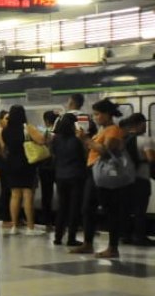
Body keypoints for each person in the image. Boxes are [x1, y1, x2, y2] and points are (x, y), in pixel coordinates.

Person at [71, 99, 125, 258]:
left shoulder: (113, 130)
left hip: (105, 174)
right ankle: (88, 243)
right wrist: (85, 140)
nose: (95, 117)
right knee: (87, 209)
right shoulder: (101, 131)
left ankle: (113, 247)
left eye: (97, 114)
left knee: (110, 210)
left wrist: (85, 139)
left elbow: (105, 151)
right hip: (93, 172)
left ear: (107, 114)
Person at [0, 105, 47, 235]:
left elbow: (4, 147)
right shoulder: (27, 128)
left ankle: (14, 226)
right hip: (26, 163)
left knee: (14, 195)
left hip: (11, 164)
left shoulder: (5, 131)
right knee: (27, 195)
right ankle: (30, 228)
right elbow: (41, 140)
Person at [50, 113, 87, 246]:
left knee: (62, 207)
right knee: (74, 208)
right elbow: (82, 157)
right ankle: (71, 238)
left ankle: (58, 237)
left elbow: (53, 155)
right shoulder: (76, 141)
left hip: (60, 176)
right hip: (76, 176)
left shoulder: (55, 139)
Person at [119, 114, 154, 246]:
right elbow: (151, 159)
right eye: (144, 122)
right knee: (140, 210)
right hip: (141, 179)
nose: (145, 125)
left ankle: (125, 236)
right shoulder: (146, 140)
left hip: (125, 180)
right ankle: (139, 237)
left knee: (126, 209)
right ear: (138, 124)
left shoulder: (124, 139)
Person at [36, 111, 58, 230]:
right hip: (58, 167)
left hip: (44, 167)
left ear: (46, 121)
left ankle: (47, 223)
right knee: (63, 194)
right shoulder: (59, 133)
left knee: (46, 195)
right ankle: (62, 222)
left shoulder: (42, 133)